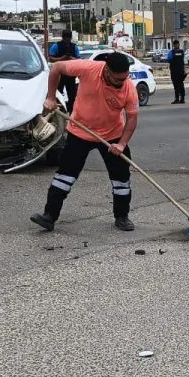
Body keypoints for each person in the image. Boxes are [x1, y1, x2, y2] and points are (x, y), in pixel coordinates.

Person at [31, 52, 139, 232]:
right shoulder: (89, 68)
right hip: (80, 130)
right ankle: (49, 216)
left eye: (125, 78)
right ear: (106, 70)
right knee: (65, 175)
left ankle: (122, 217)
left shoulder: (128, 89)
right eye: (117, 79)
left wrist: (121, 143)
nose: (121, 83)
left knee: (121, 179)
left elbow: (132, 118)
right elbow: (57, 68)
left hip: (112, 136)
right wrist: (51, 97)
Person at [48, 30, 80, 112]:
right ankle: (59, 111)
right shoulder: (56, 46)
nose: (67, 40)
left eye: (68, 38)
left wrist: (70, 58)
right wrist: (62, 58)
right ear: (63, 37)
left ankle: (71, 112)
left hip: (70, 75)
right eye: (66, 38)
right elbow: (50, 58)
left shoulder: (74, 47)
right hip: (59, 75)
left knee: (72, 96)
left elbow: (79, 60)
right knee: (58, 95)